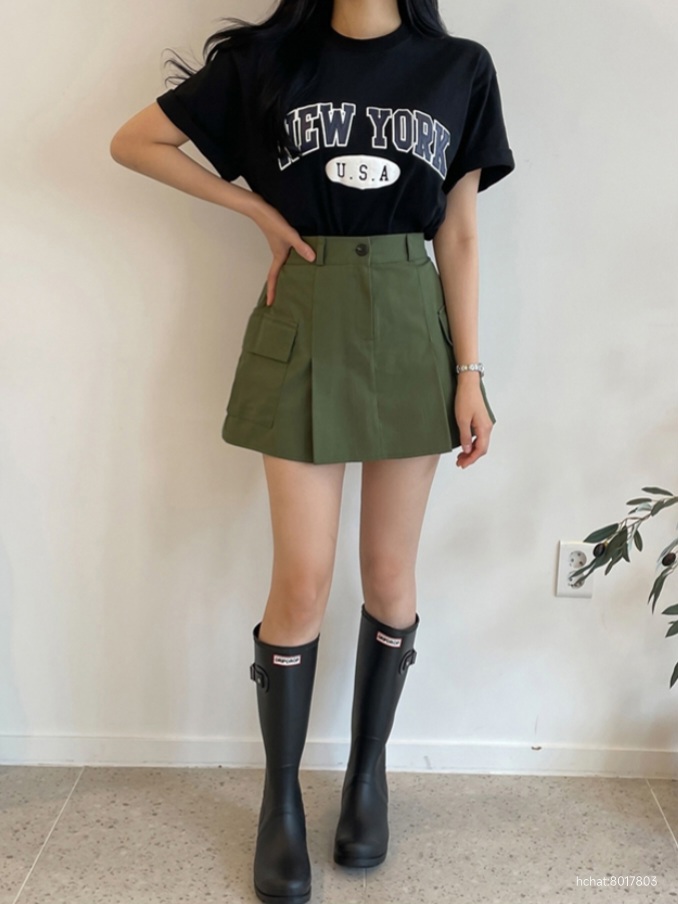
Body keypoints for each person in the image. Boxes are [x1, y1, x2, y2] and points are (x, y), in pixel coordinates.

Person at [110, 0, 515, 901]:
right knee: (299, 580)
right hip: (303, 310)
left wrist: (470, 372)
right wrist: (252, 206)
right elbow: (135, 142)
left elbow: (458, 232)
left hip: (409, 321)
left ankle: (368, 779)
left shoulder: (460, 69)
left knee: (390, 577)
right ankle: (280, 802)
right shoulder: (267, 60)